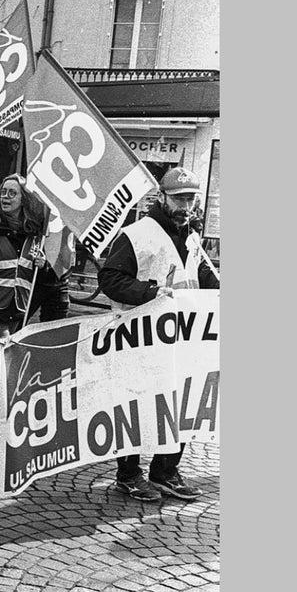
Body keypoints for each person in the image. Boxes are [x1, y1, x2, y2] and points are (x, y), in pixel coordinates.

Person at [98, 166, 219, 502]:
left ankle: (165, 472)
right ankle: (129, 474)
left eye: (190, 199)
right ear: (161, 198)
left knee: (183, 404)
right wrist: (151, 293)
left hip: (183, 337)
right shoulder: (137, 234)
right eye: (179, 199)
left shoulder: (191, 237)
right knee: (138, 403)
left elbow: (205, 278)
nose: (185, 206)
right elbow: (109, 280)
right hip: (141, 338)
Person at [0, 175, 48, 418]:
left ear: (24, 199)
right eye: (3, 191)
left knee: (3, 352)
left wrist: (41, 264)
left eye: (13, 193)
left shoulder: (33, 232)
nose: (5, 197)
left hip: (18, 304)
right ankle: (6, 403)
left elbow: (33, 270)